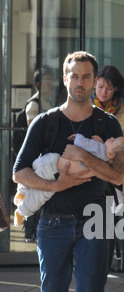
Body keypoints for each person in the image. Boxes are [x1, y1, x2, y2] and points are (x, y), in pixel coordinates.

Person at [13, 51, 124, 292]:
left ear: (94, 82)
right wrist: (55, 184)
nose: (80, 83)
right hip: (54, 221)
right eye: (74, 76)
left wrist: (83, 156)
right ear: (65, 79)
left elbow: (118, 177)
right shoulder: (45, 122)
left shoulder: (107, 124)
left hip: (95, 219)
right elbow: (19, 172)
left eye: (86, 77)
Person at [14, 133, 124, 226]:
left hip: (51, 163)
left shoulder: (100, 151)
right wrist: (102, 143)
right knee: (40, 194)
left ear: (111, 155)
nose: (111, 138)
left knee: (35, 180)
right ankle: (22, 208)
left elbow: (85, 144)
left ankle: (22, 200)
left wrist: (78, 137)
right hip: (53, 169)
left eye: (114, 141)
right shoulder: (104, 161)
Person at [92, 65, 124, 203]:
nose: (103, 92)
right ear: (94, 83)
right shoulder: (84, 110)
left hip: (115, 180)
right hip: (89, 177)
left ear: (116, 88)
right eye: (100, 86)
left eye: (109, 88)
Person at [23, 67, 55, 242]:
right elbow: (32, 134)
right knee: (33, 193)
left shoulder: (47, 102)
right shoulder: (34, 104)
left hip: (42, 157)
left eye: (51, 81)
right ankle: (29, 232)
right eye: (46, 81)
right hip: (34, 158)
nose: (50, 84)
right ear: (38, 84)